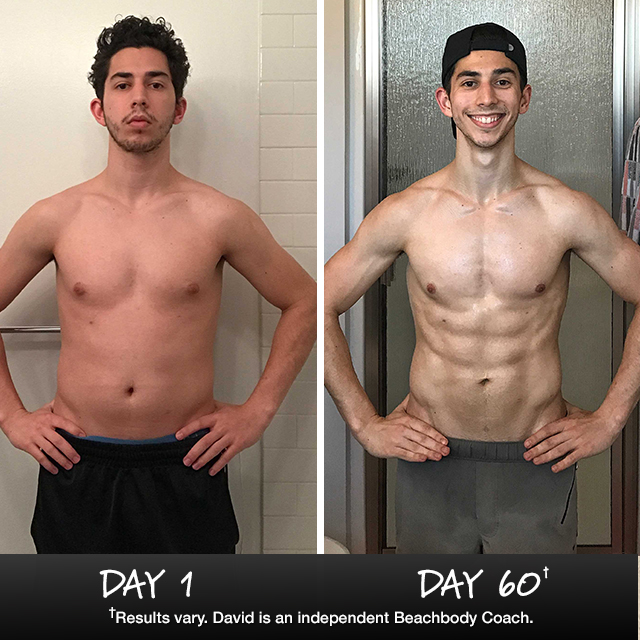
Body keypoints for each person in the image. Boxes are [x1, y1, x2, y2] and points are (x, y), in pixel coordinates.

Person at [0, 16, 316, 553]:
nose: (139, 97)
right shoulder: (54, 217)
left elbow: (305, 299)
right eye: (122, 84)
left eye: (156, 83)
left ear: (178, 106)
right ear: (100, 109)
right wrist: (11, 417)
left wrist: (257, 411)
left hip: (186, 461)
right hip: (78, 460)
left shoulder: (219, 217)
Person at [324, 22, 640, 554]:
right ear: (446, 101)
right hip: (432, 457)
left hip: (536, 458)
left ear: (525, 97)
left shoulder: (564, 210)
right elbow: (317, 303)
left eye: (503, 81)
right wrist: (363, 422)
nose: (487, 97)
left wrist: (611, 418)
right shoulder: (406, 213)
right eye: (469, 83)